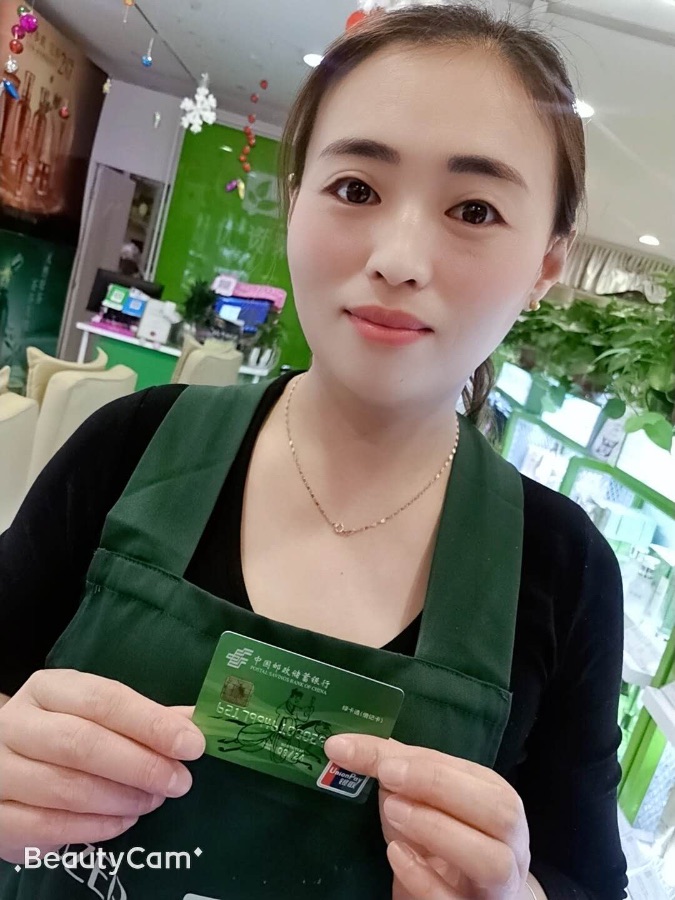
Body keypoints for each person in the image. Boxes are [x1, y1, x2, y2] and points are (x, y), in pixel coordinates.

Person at [0, 5, 628, 899]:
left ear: (543, 269)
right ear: (295, 202)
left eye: (474, 209)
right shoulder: (130, 445)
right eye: (357, 189)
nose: (398, 258)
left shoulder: (564, 568)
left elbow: (586, 878)